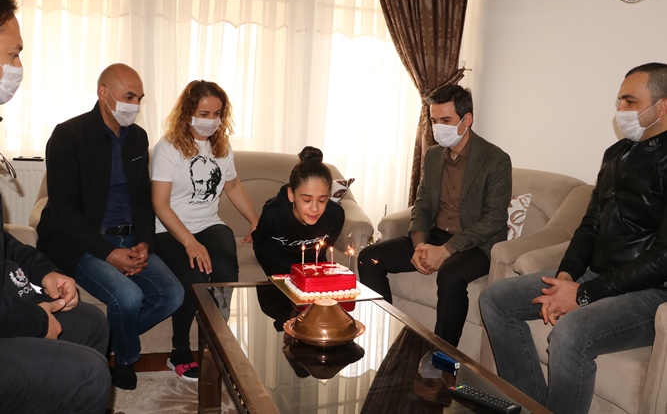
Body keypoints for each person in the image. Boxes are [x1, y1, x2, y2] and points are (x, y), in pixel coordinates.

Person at [479, 62, 667, 414]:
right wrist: (567, 276)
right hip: (596, 275)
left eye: (630, 101)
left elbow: (662, 259)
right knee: (495, 299)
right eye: (619, 100)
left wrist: (582, 294)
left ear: (662, 106)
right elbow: (590, 225)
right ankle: (529, 407)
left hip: (650, 293)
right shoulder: (616, 154)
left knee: (569, 333)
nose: (620, 109)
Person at [36, 62, 184, 390]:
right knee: (128, 297)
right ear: (103, 93)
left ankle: (105, 342)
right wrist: (108, 252)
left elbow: (142, 199)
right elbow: (63, 208)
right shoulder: (68, 135)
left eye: (139, 98)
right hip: (81, 241)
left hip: (129, 236)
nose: (136, 105)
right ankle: (125, 360)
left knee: (173, 294)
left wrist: (145, 242)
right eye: (129, 96)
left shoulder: (138, 138)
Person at [0, 0, 111, 414]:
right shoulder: (70, 135)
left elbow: (4, 242)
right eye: (13, 54)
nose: (18, 67)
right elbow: (61, 209)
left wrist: (45, 272)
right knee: (88, 374)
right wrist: (33, 320)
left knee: (92, 321)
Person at [358, 84, 512, 346]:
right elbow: (422, 205)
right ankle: (383, 332)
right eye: (434, 121)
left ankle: (443, 354)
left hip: (476, 245)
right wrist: (420, 245)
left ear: (467, 120)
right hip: (436, 234)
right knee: (368, 258)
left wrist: (446, 250)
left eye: (446, 121)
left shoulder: (495, 159)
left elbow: (494, 219)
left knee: (450, 276)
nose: (438, 127)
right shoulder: (433, 156)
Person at [151, 80, 259, 381]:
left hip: (209, 223)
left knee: (225, 268)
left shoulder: (221, 147)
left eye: (217, 114)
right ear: (188, 112)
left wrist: (255, 220)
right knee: (195, 275)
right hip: (169, 228)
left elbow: (233, 185)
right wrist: (189, 243)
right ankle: (179, 352)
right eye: (204, 113)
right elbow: (159, 204)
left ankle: (217, 343)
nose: (211, 120)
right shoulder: (168, 148)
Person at [252, 146, 345, 276]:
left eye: (322, 200)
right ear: (291, 195)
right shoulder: (273, 215)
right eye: (307, 200)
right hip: (279, 269)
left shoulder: (335, 216)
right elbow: (263, 248)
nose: (314, 208)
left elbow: (321, 252)